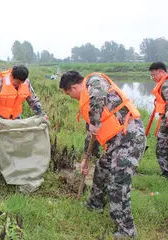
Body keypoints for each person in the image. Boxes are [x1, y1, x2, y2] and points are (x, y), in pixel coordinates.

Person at [59, 71, 146, 239]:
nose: (72, 98)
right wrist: (86, 160)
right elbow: (91, 135)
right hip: (115, 143)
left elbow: (97, 102)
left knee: (118, 184)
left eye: (69, 94)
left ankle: (127, 232)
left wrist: (94, 122)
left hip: (130, 138)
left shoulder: (94, 82)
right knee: (101, 170)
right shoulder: (88, 102)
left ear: (74, 87)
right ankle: (95, 204)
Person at [147, 62, 168, 179]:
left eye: (154, 74)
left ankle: (166, 174)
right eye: (151, 76)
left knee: (161, 148)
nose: (153, 78)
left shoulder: (166, 84)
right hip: (167, 120)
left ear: (162, 71)